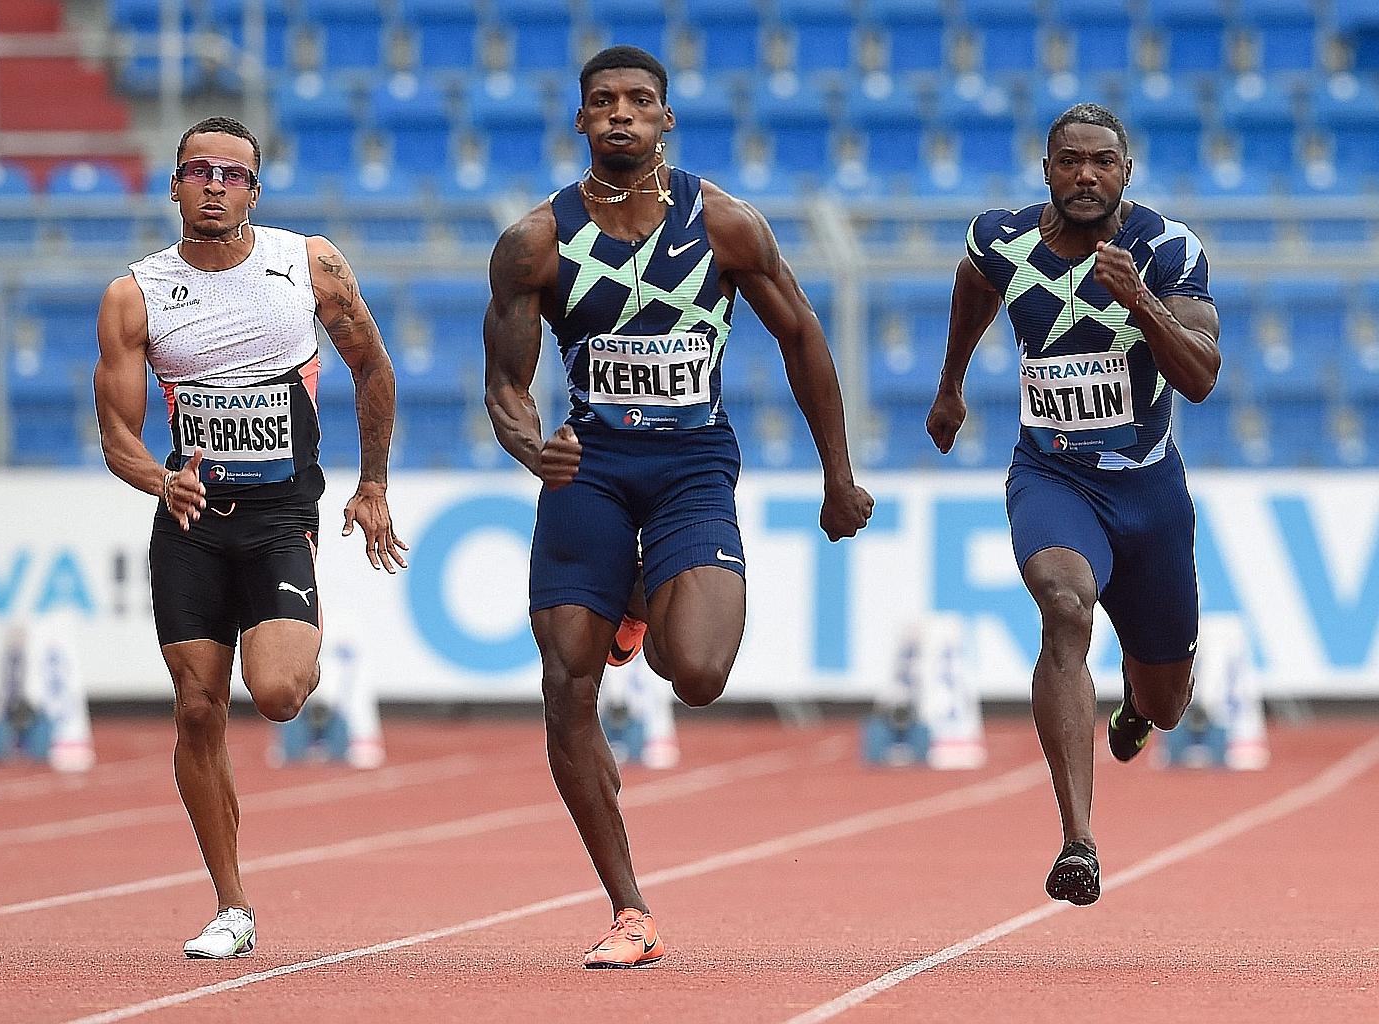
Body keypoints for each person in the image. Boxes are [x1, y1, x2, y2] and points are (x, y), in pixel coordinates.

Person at [483, 47, 874, 967]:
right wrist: (532, 445)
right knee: (565, 680)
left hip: (693, 462)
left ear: (667, 120)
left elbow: (804, 339)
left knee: (695, 674)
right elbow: (505, 386)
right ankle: (629, 907)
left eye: (640, 102)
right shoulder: (534, 243)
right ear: (580, 121)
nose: (622, 115)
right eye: (604, 103)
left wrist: (837, 474)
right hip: (591, 469)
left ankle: (638, 602)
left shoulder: (726, 225)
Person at [93, 116, 406, 958]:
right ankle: (233, 904)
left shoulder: (307, 265)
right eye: (199, 171)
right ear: (174, 186)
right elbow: (118, 435)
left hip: (279, 521)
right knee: (197, 708)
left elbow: (373, 366)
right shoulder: (135, 294)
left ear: (255, 192)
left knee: (274, 695)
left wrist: (372, 484)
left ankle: (293, 635)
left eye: (233, 174)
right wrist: (162, 479)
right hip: (190, 522)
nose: (215, 186)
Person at [926, 104, 1221, 906]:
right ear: (1046, 167)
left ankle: (1134, 707)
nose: (1084, 175)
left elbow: (1199, 377)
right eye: (1069, 161)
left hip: (1149, 491)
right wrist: (951, 385)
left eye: (1102, 162)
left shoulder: (1167, 250)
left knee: (1166, 704)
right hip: (1051, 475)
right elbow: (973, 284)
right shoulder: (1001, 237)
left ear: (1127, 173)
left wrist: (1141, 303)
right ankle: (1079, 840)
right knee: (1064, 604)